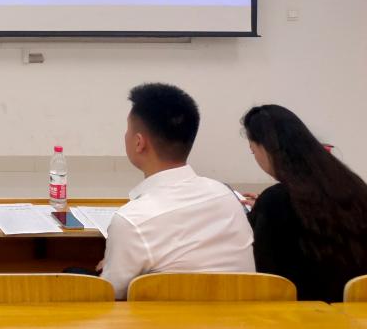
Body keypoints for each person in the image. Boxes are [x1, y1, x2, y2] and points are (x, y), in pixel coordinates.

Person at [101, 83, 253, 299]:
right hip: (239, 313)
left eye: (128, 130)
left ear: (139, 143)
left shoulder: (132, 221)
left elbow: (110, 295)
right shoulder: (226, 197)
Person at [242, 104, 367, 301]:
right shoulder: (354, 186)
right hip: (355, 309)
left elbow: (265, 275)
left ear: (265, 148)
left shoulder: (275, 201)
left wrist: (261, 212)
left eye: (253, 150)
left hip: (298, 312)